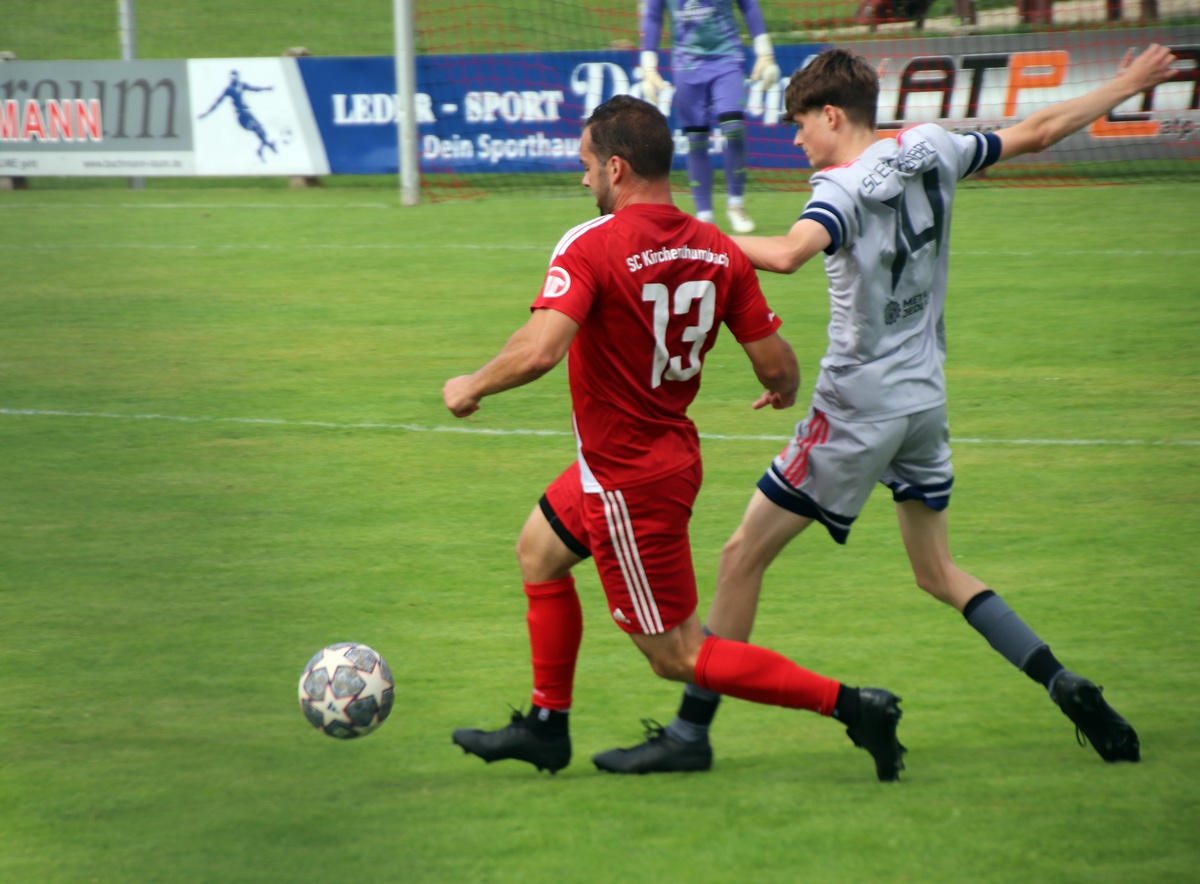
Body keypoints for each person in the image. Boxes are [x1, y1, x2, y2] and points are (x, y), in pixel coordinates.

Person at [593, 45, 1179, 774]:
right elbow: (1039, 130)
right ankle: (1061, 680)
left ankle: (689, 735)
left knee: (742, 556)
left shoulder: (839, 187)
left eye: (801, 125)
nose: (799, 142)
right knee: (938, 572)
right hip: (924, 398)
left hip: (857, 404)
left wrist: (678, 237)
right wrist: (1125, 80)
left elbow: (784, 254)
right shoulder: (932, 146)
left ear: (832, 115)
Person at [443, 95, 906, 781]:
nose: (583, 180)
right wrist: (779, 388)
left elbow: (541, 350)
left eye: (586, 166)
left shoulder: (590, 243)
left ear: (618, 169)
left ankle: (854, 707)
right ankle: (546, 726)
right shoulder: (717, 248)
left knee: (677, 654)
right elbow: (778, 365)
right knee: (538, 552)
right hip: (650, 460)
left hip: (628, 480)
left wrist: (473, 383)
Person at [638, 0, 781, 234]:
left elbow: (749, 5)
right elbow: (653, 16)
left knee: (733, 127)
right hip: (687, 66)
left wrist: (765, 52)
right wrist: (648, 68)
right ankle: (704, 216)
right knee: (696, 140)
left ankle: (736, 204)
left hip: (727, 60)